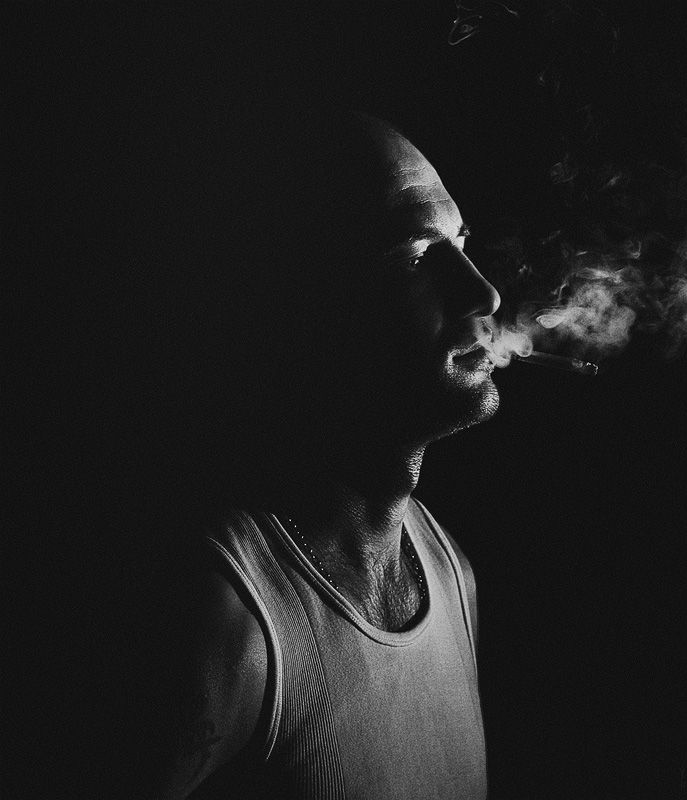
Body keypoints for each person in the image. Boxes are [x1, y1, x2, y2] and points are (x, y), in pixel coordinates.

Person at [135, 108, 502, 800]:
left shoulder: (452, 574)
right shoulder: (225, 621)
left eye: (460, 242)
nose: (483, 292)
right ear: (306, 305)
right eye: (415, 256)